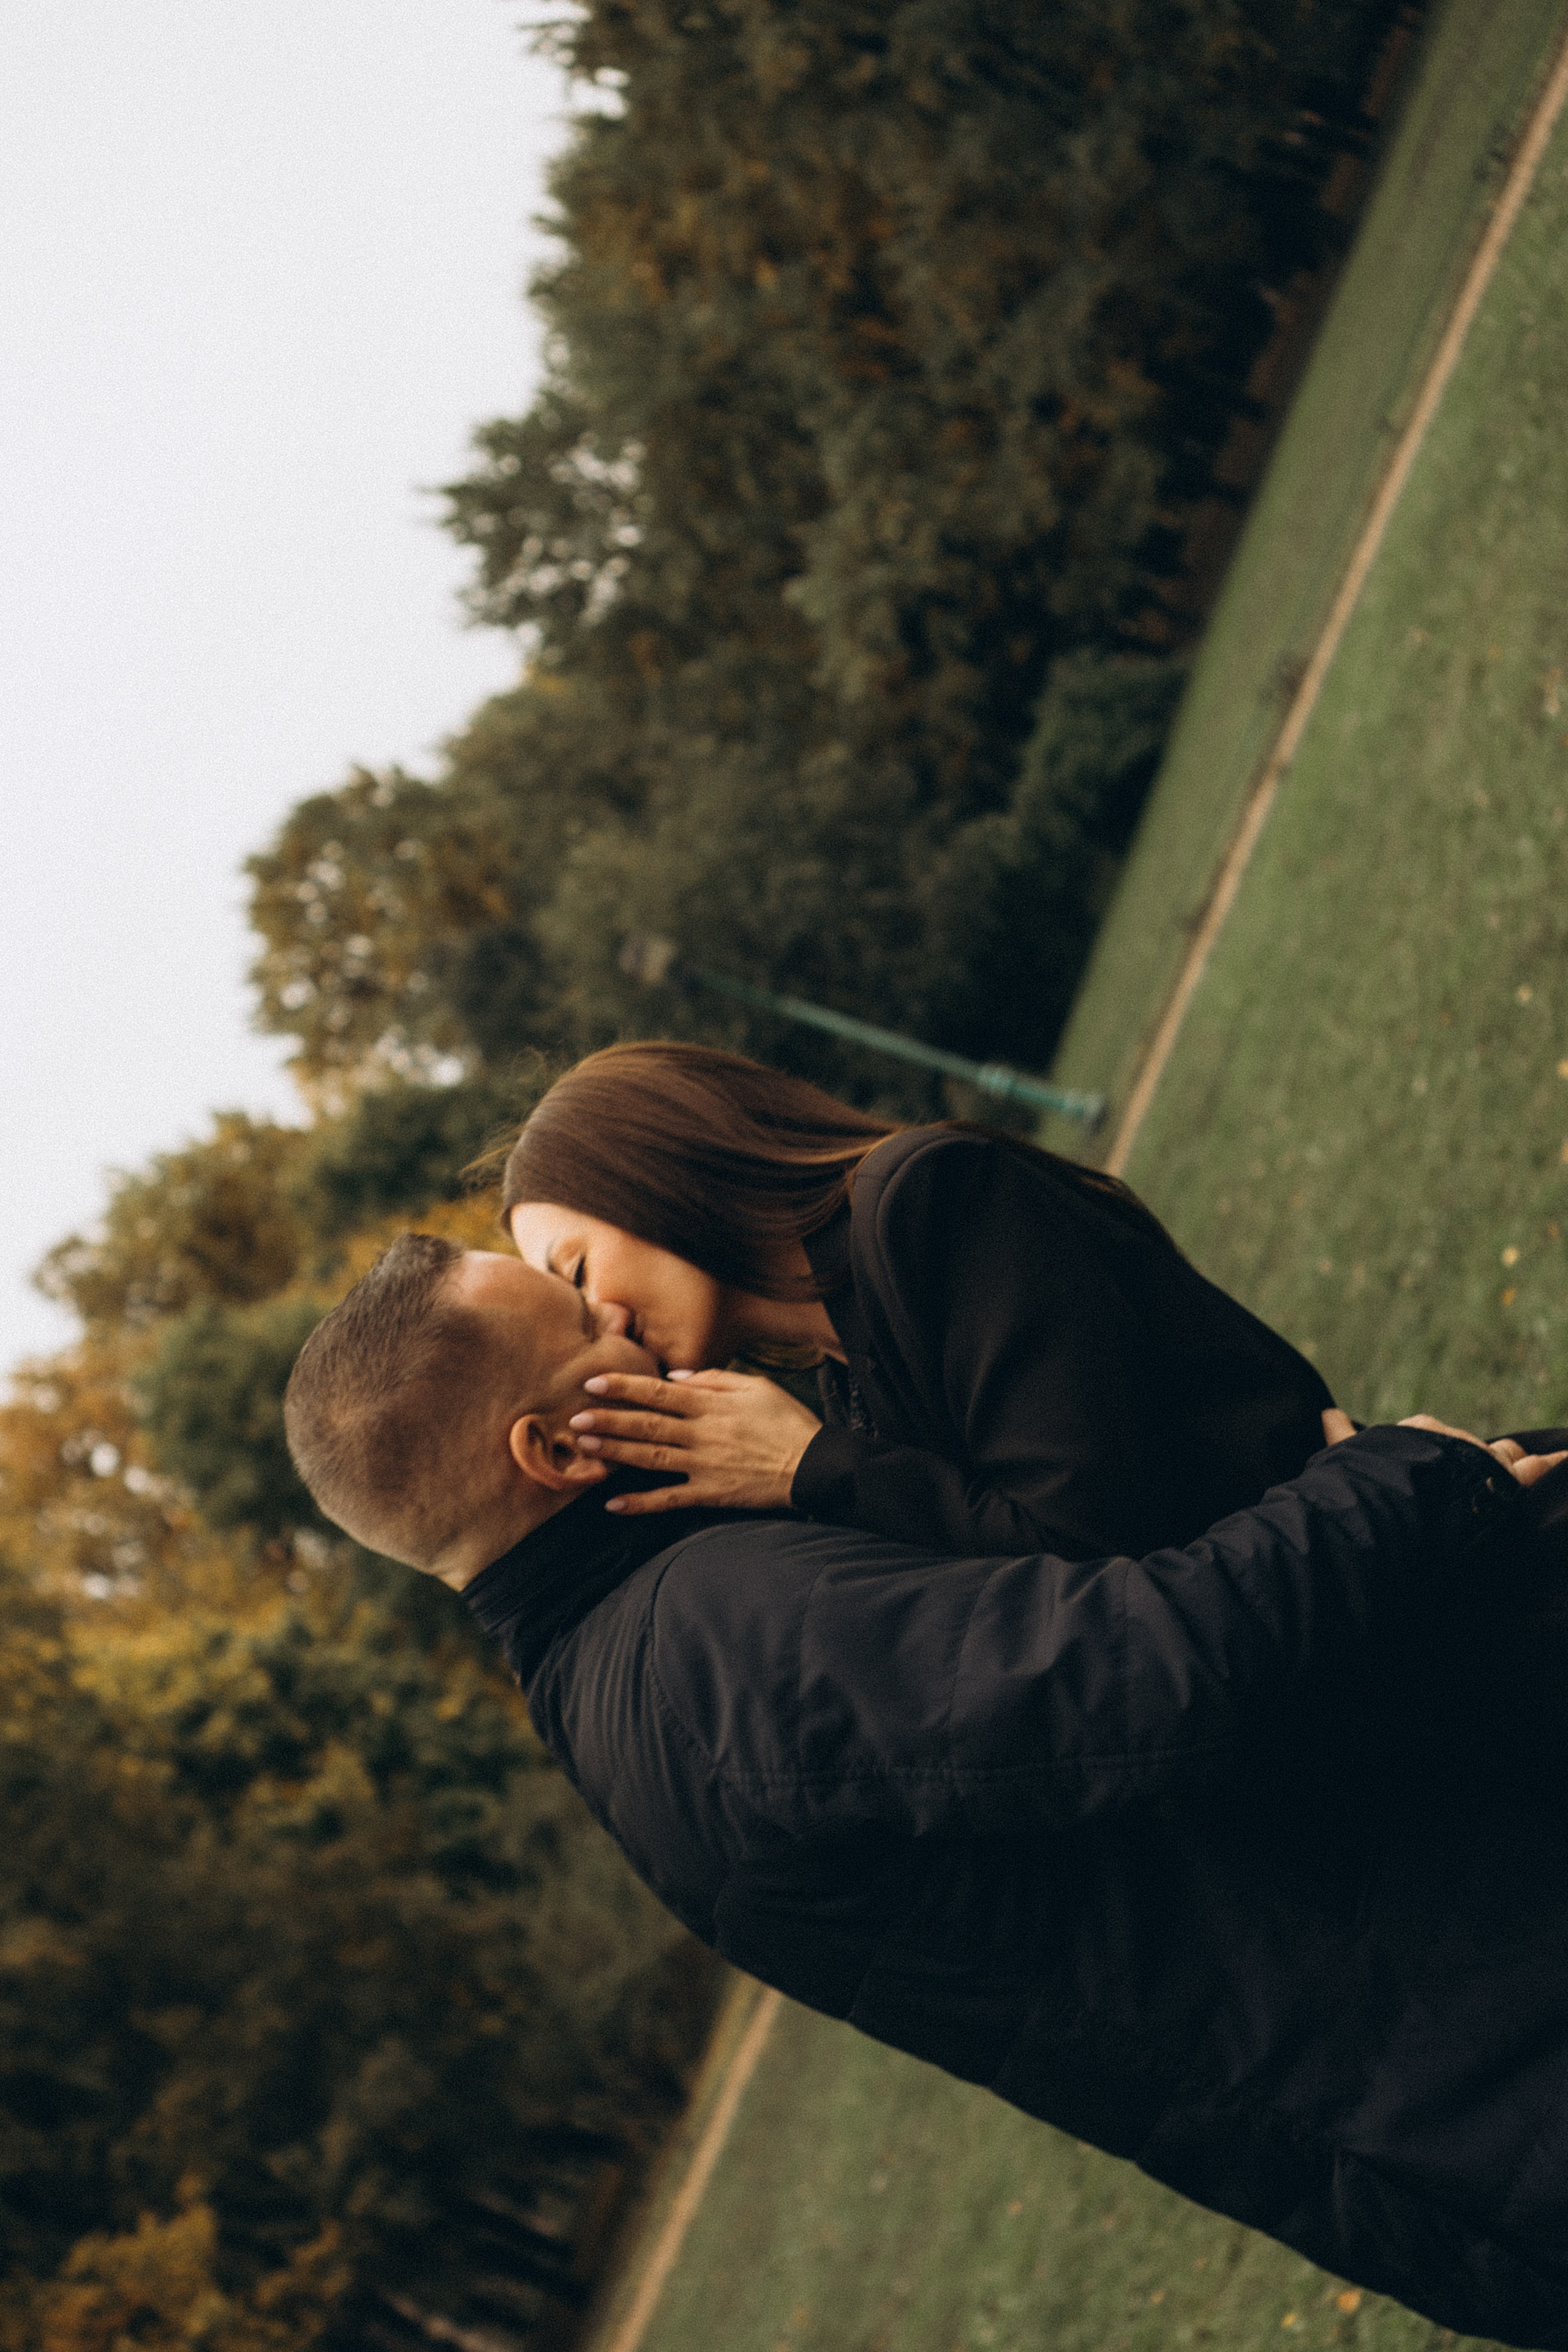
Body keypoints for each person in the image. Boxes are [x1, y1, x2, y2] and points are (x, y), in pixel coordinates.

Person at [284, 1234, 1568, 2347]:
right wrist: (1391, 1480)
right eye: (577, 1326)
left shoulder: (613, 1688)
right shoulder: (709, 1638)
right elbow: (1133, 1676)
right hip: (1484, 2073)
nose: (613, 1312)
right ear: (556, 1447)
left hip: (1437, 2101)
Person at [500, 1043, 1342, 1560]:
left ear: (652, 1171)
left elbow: (1109, 1550)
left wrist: (814, 1471)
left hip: (1368, 1562)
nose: (601, 1326)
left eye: (575, 1275)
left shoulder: (929, 1203)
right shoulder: (848, 1382)